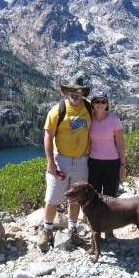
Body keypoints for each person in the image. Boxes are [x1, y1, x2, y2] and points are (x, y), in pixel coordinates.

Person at [38, 76, 92, 249]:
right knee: (53, 197)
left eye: (78, 91)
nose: (74, 94)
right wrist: (50, 162)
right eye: (71, 90)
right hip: (60, 159)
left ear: (83, 92)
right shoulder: (57, 110)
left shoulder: (89, 107)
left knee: (76, 198)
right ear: (66, 92)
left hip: (82, 160)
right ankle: (47, 230)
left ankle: (73, 229)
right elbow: (48, 136)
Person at [88, 90, 126, 242]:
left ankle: (109, 231)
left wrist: (122, 165)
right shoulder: (89, 120)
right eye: (97, 101)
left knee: (110, 197)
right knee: (93, 198)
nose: (100, 104)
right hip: (93, 163)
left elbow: (121, 145)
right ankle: (95, 230)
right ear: (92, 104)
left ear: (107, 104)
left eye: (103, 101)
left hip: (112, 163)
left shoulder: (114, 120)